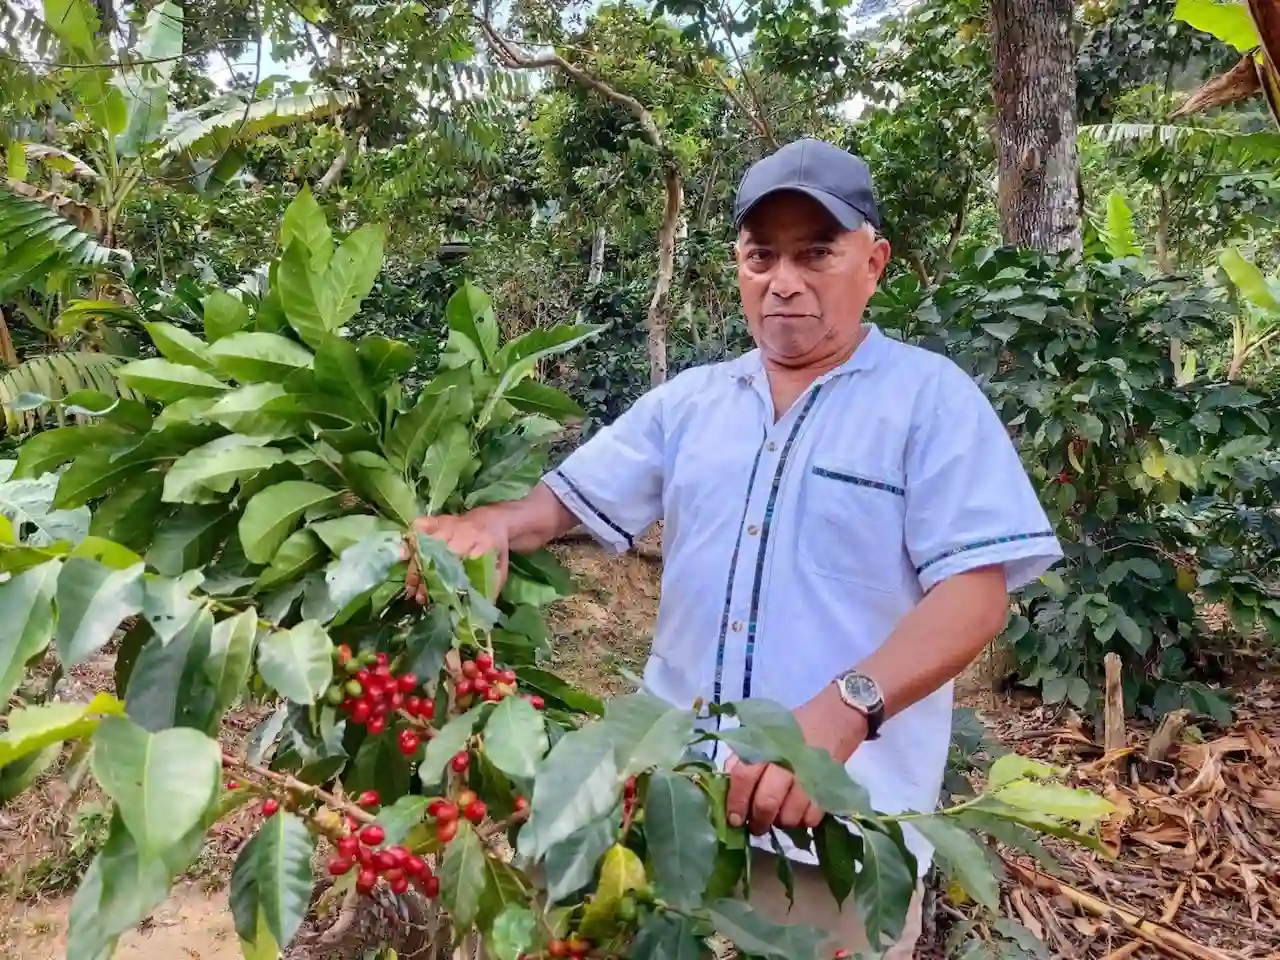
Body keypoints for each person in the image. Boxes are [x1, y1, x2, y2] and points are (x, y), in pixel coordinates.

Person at [405, 138, 1062, 957]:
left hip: (836, 840)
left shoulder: (930, 402)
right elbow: (558, 504)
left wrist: (847, 705)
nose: (783, 279)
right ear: (738, 267)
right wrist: (494, 526)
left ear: (874, 262)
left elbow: (976, 592)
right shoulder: (691, 403)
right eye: (762, 256)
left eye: (816, 252)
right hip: (666, 809)